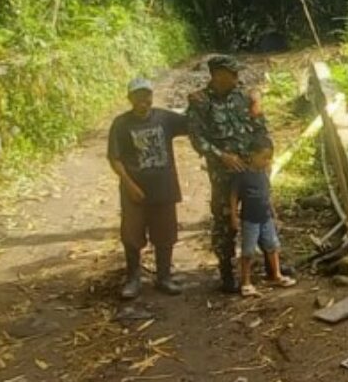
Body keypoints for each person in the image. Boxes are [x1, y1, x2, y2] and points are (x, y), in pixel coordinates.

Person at [187, 55, 268, 293]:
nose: (236, 80)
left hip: (251, 168)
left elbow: (260, 127)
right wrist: (221, 155)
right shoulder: (201, 102)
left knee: (260, 212)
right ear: (217, 76)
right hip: (224, 173)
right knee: (225, 222)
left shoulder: (244, 97)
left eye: (236, 76)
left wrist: (263, 156)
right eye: (231, 76)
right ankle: (226, 272)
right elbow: (197, 138)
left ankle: (271, 263)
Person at [107, 77, 189, 299]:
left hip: (163, 187)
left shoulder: (164, 118)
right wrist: (129, 183)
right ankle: (133, 278)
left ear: (151, 97)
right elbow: (115, 158)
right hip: (135, 191)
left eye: (147, 97)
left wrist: (197, 102)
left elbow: (190, 123)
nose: (143, 101)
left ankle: (164, 276)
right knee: (132, 234)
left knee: (165, 233)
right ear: (130, 99)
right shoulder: (121, 124)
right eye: (138, 97)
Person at [229, 135, 297, 297]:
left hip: (265, 218)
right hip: (250, 220)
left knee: (272, 246)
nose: (267, 162)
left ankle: (276, 274)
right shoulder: (242, 175)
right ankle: (246, 281)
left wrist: (273, 212)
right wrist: (234, 215)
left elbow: (267, 195)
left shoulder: (264, 174)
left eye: (269, 159)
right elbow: (233, 196)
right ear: (252, 155)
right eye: (263, 158)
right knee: (248, 251)